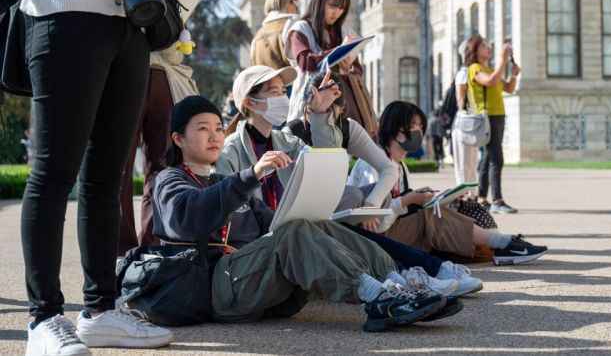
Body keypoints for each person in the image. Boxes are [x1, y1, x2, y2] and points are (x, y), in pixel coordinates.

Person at [0, 0, 185, 354]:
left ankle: (101, 309)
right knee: (53, 174)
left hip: (128, 26)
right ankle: (43, 318)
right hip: (61, 18)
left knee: (107, 177)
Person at [154, 95, 455, 332]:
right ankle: (377, 297)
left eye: (219, 128)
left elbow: (274, 224)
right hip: (217, 288)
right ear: (178, 139)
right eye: (203, 129)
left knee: (312, 223)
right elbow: (189, 217)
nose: (214, 136)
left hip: (255, 283)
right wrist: (251, 176)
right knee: (294, 231)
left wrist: (311, 213)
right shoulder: (170, 180)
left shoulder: (222, 181)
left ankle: (396, 283)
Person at [286, 72, 484, 294]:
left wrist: (371, 205)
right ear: (308, 104)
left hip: (341, 214)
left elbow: (389, 169)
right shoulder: (293, 133)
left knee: (370, 203)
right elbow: (303, 185)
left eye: (334, 112)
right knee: (361, 222)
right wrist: (319, 117)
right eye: (324, 110)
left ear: (342, 109)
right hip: (306, 218)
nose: (330, 121)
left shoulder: (346, 127)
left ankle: (427, 270)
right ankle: (417, 274)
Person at [348, 101, 548, 266]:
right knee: (431, 216)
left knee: (437, 209)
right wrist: (409, 200)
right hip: (373, 241)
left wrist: (424, 198)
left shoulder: (399, 166)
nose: (419, 131)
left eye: (420, 126)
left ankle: (499, 245)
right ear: (395, 128)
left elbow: (398, 204)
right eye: (413, 126)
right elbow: (374, 223)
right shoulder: (371, 165)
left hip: (394, 232)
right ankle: (502, 244)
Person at [118, 0, 202, 256]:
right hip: (162, 82)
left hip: (124, 80)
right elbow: (175, 56)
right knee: (159, 168)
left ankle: (121, 248)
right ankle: (152, 245)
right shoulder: (166, 0)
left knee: (119, 169)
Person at [287, 0, 354, 123]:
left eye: (342, 8)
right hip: (308, 109)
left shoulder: (342, 32)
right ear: (320, 1)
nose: (337, 12)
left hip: (339, 111)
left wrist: (349, 66)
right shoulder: (300, 29)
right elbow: (305, 62)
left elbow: (358, 70)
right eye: (333, 6)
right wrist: (338, 52)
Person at [465, 35, 520, 214]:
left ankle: (481, 198)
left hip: (498, 116)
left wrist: (513, 75)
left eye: (488, 46)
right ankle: (497, 200)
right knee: (497, 158)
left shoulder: (489, 69)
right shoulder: (475, 68)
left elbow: (509, 88)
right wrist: (503, 60)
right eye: (483, 46)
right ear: (475, 51)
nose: (488, 48)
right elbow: (490, 81)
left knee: (488, 157)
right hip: (486, 117)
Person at [249, 0, 299, 70]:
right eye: (292, 1)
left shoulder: (257, 37)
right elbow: (299, 65)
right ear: (284, 2)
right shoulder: (292, 23)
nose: (296, 6)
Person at [451, 40, 478, 191]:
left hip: (472, 123)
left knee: (471, 164)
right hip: (464, 123)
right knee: (464, 165)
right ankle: (463, 196)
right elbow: (461, 102)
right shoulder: (464, 73)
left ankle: (471, 195)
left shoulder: (474, 72)